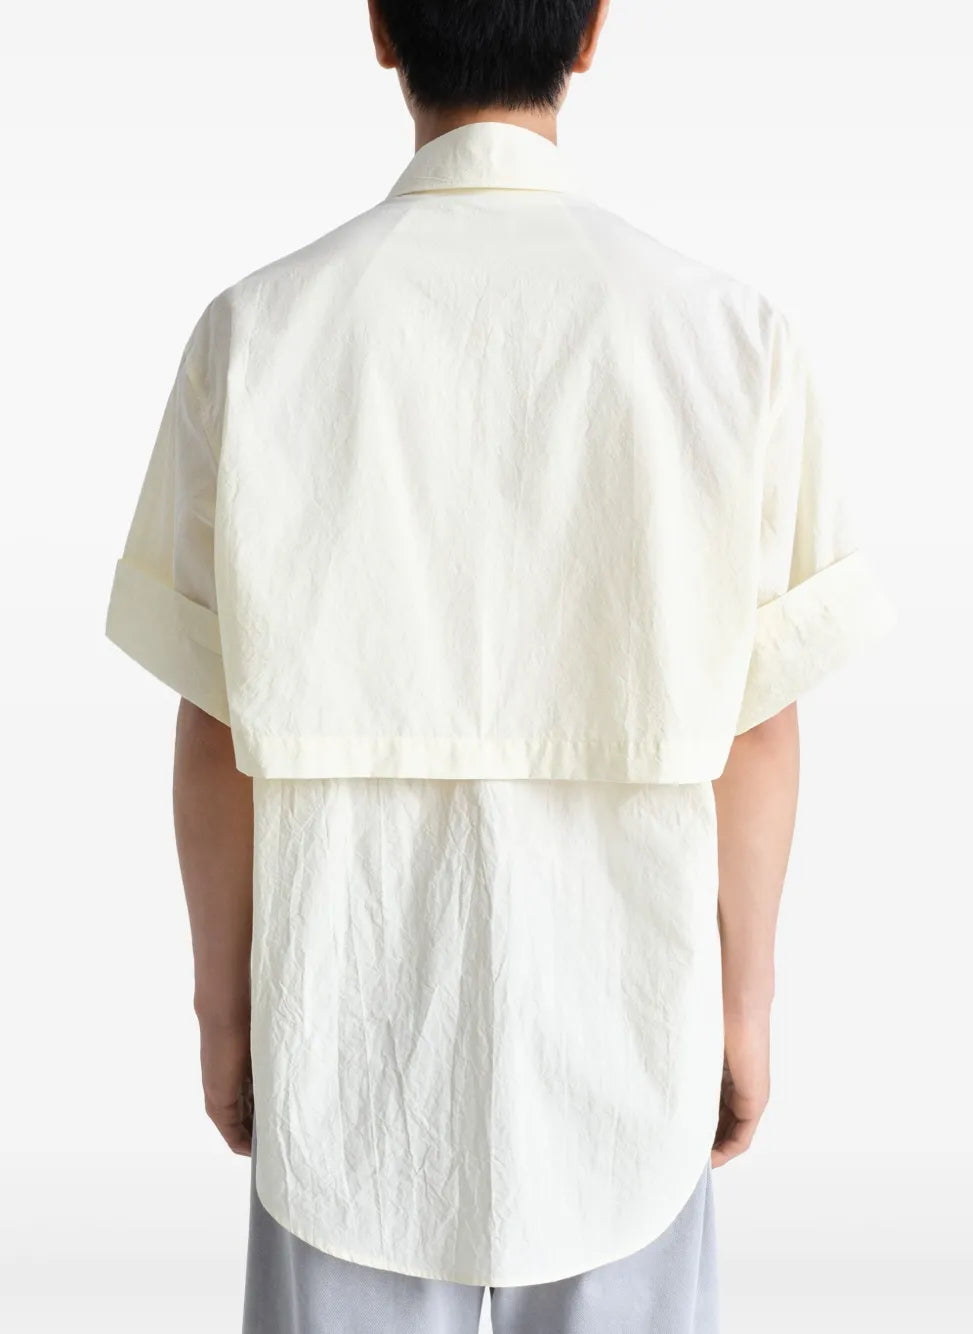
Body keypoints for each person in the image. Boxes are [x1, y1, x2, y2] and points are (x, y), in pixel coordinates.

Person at [103, 1, 895, 1330]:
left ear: (380, 28)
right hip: (633, 1021)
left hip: (341, 1025)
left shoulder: (257, 331)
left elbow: (214, 720)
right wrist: (746, 1006)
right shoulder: (728, 334)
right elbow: (759, 726)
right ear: (589, 33)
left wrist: (224, 1010)